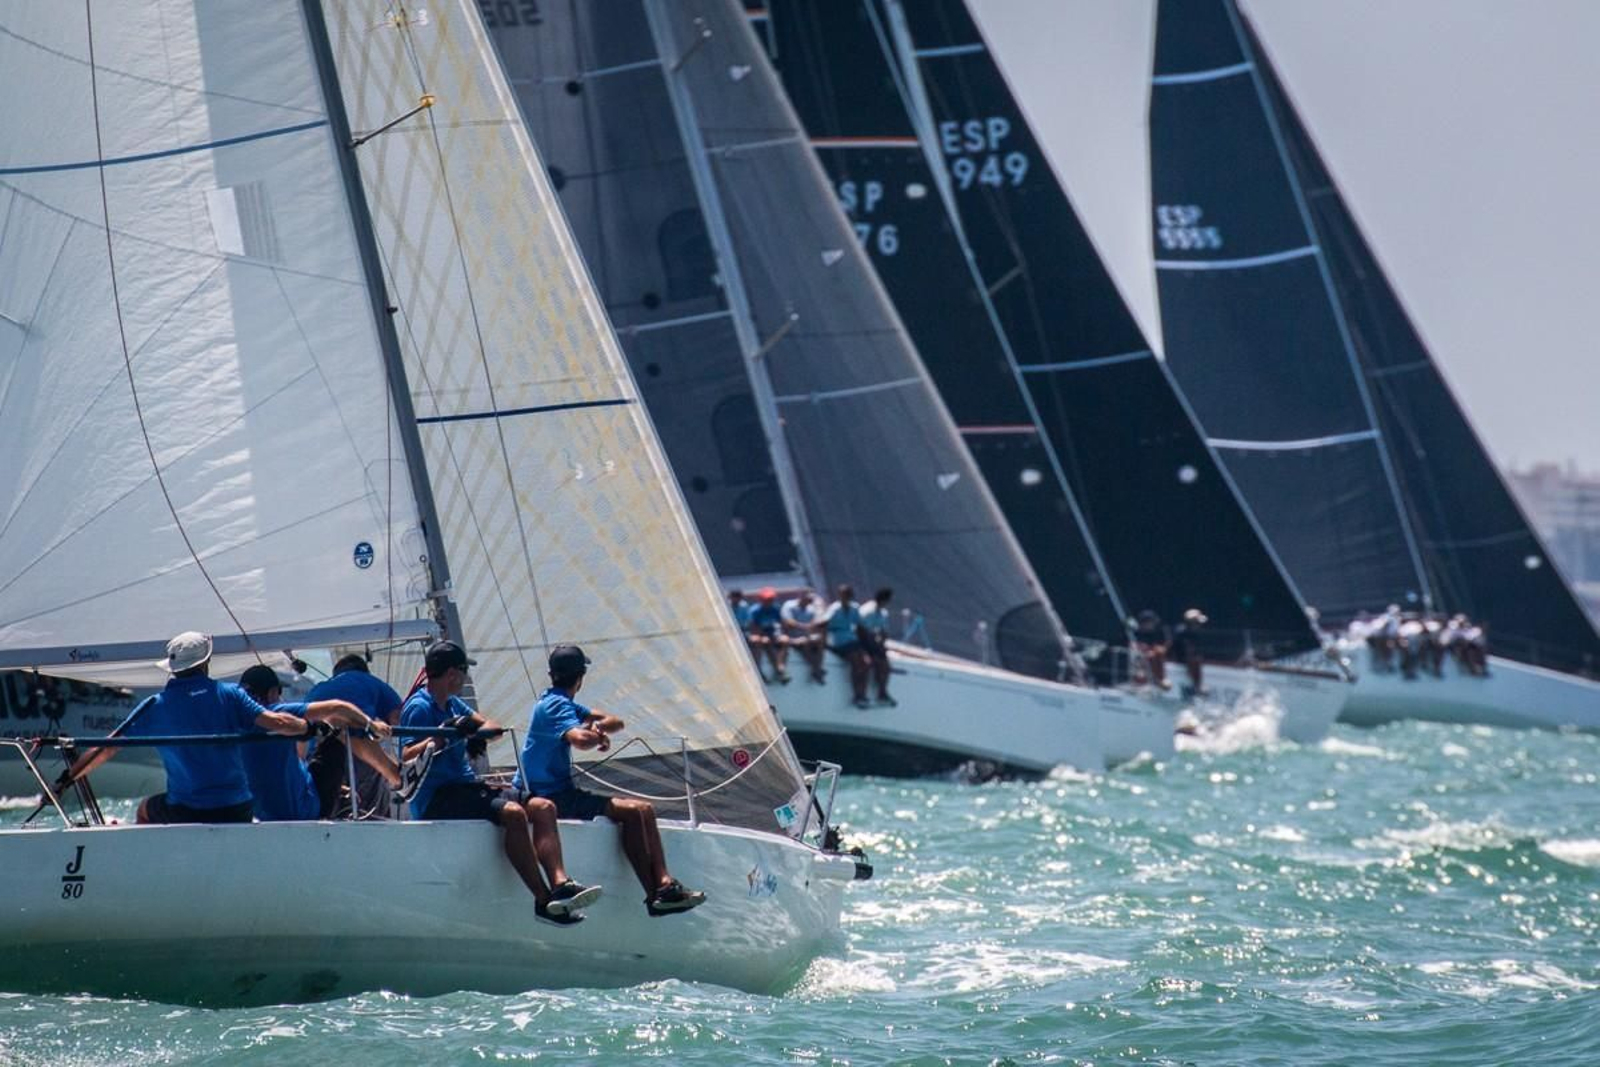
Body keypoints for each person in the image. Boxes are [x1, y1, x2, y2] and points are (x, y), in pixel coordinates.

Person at [401, 641, 600, 925]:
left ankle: (560, 884)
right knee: (514, 813)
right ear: (452, 673)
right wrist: (444, 735)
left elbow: (494, 728)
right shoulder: (420, 707)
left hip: (466, 788)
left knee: (543, 807)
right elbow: (406, 755)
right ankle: (543, 901)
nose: (465, 678)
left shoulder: (453, 704)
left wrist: (472, 729)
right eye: (464, 671)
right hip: (437, 796)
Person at [515, 644, 706, 917]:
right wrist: (595, 736)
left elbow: (615, 722)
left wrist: (598, 728)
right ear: (581, 678)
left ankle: (663, 887)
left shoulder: (562, 702)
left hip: (562, 793)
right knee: (633, 811)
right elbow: (581, 740)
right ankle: (657, 893)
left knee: (643, 809)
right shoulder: (555, 704)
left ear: (551, 674)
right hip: (547, 795)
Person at [60, 632, 314, 824]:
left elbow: (106, 748)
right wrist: (310, 728)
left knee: (145, 809)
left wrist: (65, 780)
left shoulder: (155, 705)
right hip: (237, 809)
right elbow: (279, 723)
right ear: (206, 662)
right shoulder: (230, 695)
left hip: (186, 811)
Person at [236, 664, 429, 822]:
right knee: (339, 723)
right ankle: (398, 778)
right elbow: (338, 708)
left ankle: (342, 795)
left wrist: (335, 785)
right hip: (306, 810)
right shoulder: (276, 713)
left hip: (262, 815)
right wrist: (371, 725)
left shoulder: (235, 725)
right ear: (272, 693)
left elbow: (298, 755)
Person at [306, 653, 407, 815]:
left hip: (317, 754)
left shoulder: (318, 688)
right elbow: (398, 718)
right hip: (358, 749)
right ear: (365, 671)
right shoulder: (371, 682)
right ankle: (376, 815)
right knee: (372, 794)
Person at [820, 584, 871, 709]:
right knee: (855, 662)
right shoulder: (835, 609)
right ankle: (857, 694)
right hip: (838, 641)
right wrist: (824, 643)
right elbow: (823, 624)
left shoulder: (854, 608)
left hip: (852, 640)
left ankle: (863, 693)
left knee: (866, 663)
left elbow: (860, 625)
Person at [856, 587, 896, 707]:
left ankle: (882, 692)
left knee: (885, 665)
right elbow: (860, 631)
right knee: (866, 663)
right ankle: (860, 695)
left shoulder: (883, 613)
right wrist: (872, 646)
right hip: (860, 641)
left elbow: (883, 632)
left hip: (871, 641)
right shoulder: (867, 611)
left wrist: (881, 645)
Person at [780, 589, 826, 684]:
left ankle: (817, 668)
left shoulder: (811, 609)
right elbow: (789, 622)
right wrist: (805, 627)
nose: (809, 601)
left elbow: (815, 624)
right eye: (808, 599)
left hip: (804, 639)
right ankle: (782, 670)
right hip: (789, 637)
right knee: (785, 642)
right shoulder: (789, 605)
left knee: (818, 640)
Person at [747, 587, 790, 683]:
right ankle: (758, 670)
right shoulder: (755, 611)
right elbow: (753, 627)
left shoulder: (775, 609)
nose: (769, 602)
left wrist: (782, 634)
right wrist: (762, 636)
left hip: (772, 634)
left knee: (784, 640)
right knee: (757, 642)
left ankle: (780, 667)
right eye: (766, 600)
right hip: (759, 634)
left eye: (771, 599)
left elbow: (782, 624)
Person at [1168, 608, 1208, 697]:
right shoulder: (1181, 632)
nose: (1199, 625)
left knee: (1197, 659)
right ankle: (1197, 685)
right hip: (1181, 658)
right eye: (1197, 623)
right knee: (1194, 660)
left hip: (1190, 658)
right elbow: (1176, 648)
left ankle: (1198, 684)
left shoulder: (1194, 633)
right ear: (1191, 623)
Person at [1131, 610, 1171, 689]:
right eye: (1148, 622)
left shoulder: (1158, 633)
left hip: (1153, 657)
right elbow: (1134, 645)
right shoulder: (1136, 634)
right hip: (1140, 658)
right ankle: (1143, 681)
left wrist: (1155, 650)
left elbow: (1164, 646)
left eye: (1151, 622)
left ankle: (1160, 679)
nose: (1150, 624)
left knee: (1158, 653)